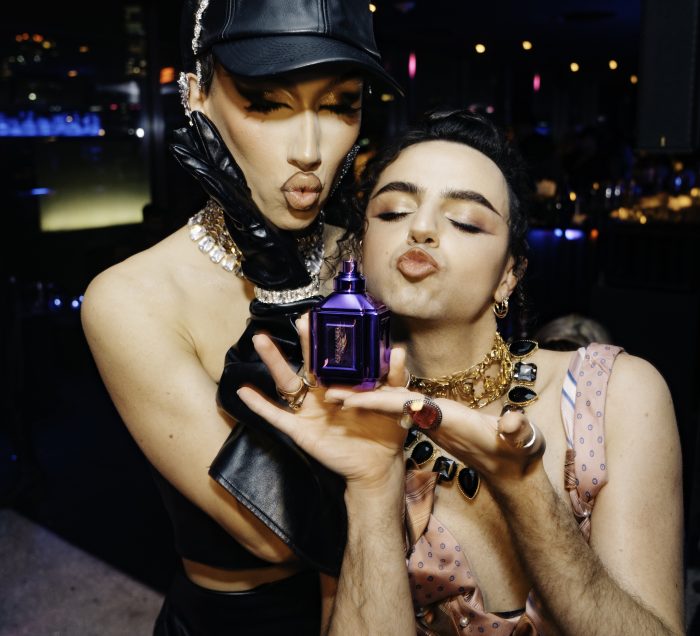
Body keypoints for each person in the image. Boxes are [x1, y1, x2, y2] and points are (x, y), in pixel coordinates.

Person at [239, 110, 685, 635]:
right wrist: (373, 486)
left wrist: (523, 488)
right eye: (394, 212)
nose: (421, 229)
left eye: (466, 221)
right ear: (360, 249)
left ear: (508, 274)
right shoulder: (341, 417)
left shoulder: (614, 395)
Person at [81, 0, 400, 633]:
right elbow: (277, 531)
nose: (310, 150)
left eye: (341, 104)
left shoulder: (378, 253)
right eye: (267, 103)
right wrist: (281, 287)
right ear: (196, 95)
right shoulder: (132, 298)